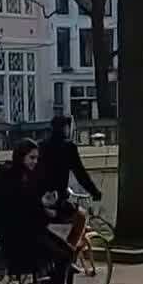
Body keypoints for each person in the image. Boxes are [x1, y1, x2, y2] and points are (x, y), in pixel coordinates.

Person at [0, 138, 76, 284]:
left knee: (54, 249)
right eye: (31, 157)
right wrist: (52, 212)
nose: (34, 162)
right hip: (25, 235)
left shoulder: (9, 175)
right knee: (66, 254)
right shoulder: (21, 180)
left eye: (36, 158)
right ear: (22, 157)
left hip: (13, 234)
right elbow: (30, 208)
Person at [38, 114, 100, 272]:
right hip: (59, 200)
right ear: (66, 128)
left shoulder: (41, 146)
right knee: (80, 217)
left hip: (41, 200)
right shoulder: (68, 147)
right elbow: (81, 174)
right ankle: (69, 255)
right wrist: (95, 192)